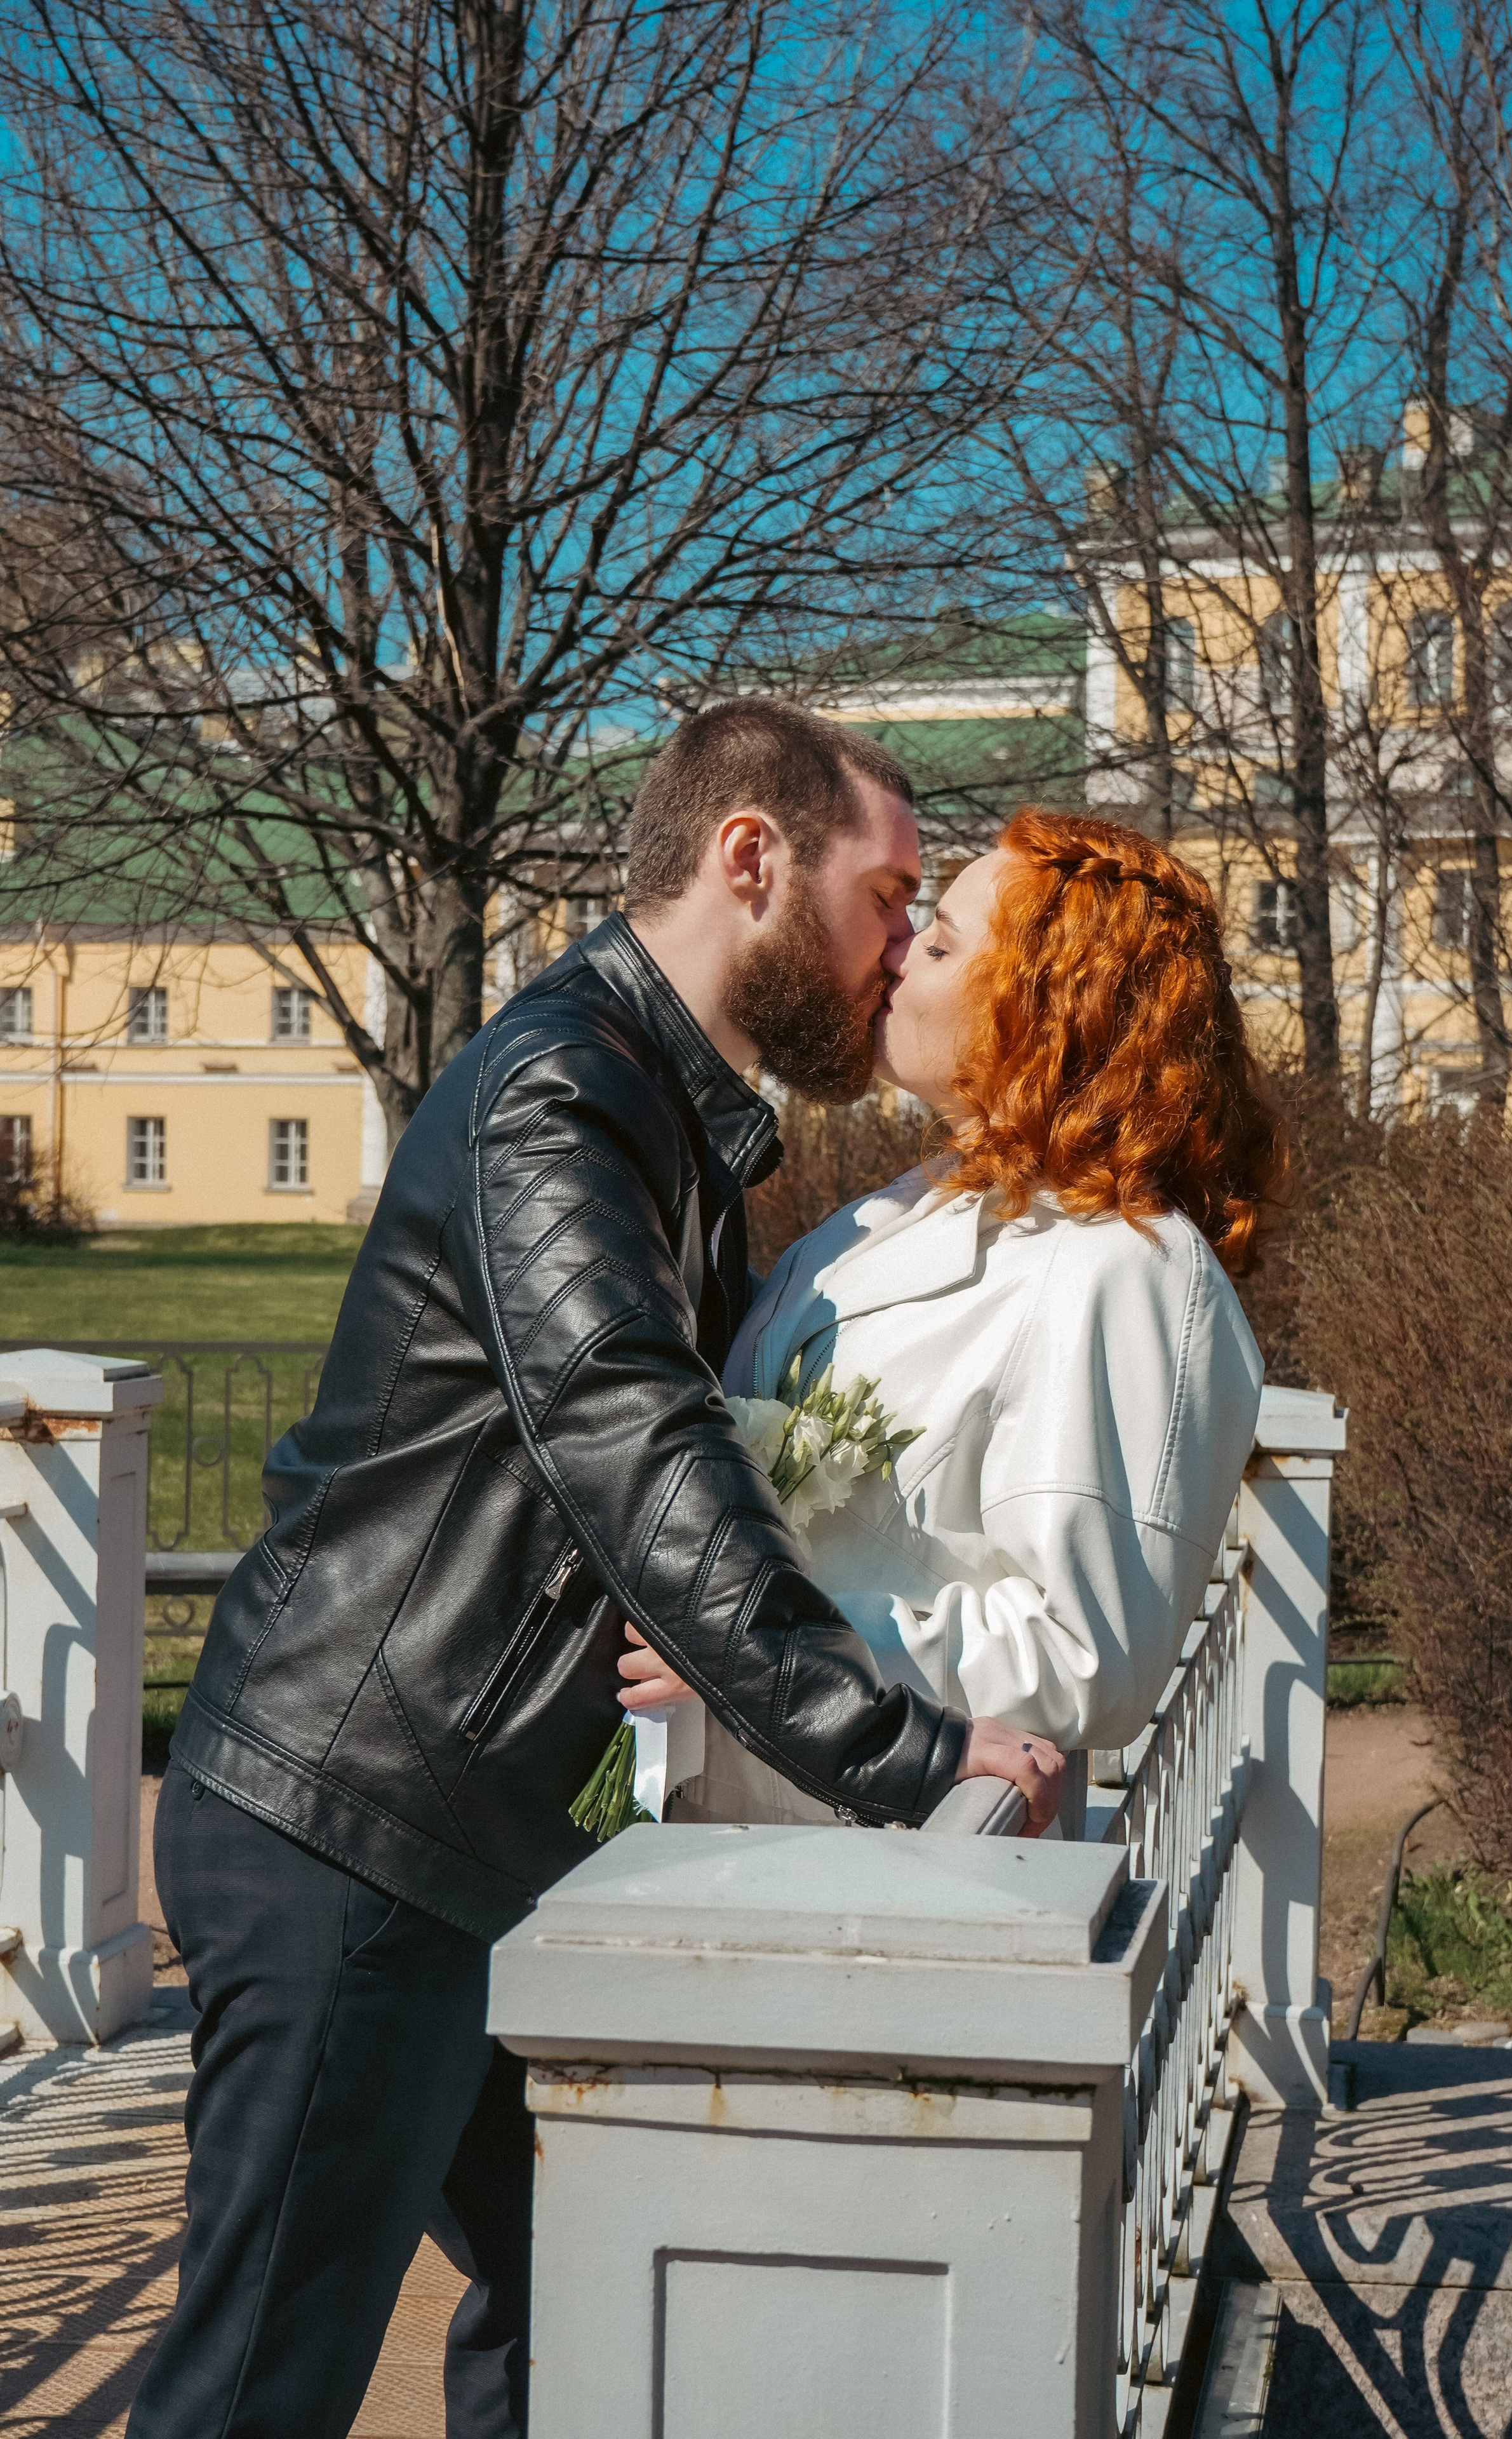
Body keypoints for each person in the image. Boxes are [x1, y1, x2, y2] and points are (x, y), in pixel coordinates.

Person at [131, 702, 1063, 2439]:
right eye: (890, 895)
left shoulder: (664, 1115)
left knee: (584, 2299)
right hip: (348, 1824)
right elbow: (633, 1444)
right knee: (254, 2390)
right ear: (750, 859)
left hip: (453, 1835)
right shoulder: (561, 1092)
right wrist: (911, 1748)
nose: (900, 947)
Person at [619, 809, 1285, 1826]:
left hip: (892, 1866)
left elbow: (1091, 1652)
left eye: (938, 944)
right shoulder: (886, 1216)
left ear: (1050, 1002)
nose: (896, 960)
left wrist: (762, 1643)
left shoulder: (1128, 1270)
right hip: (739, 1822)